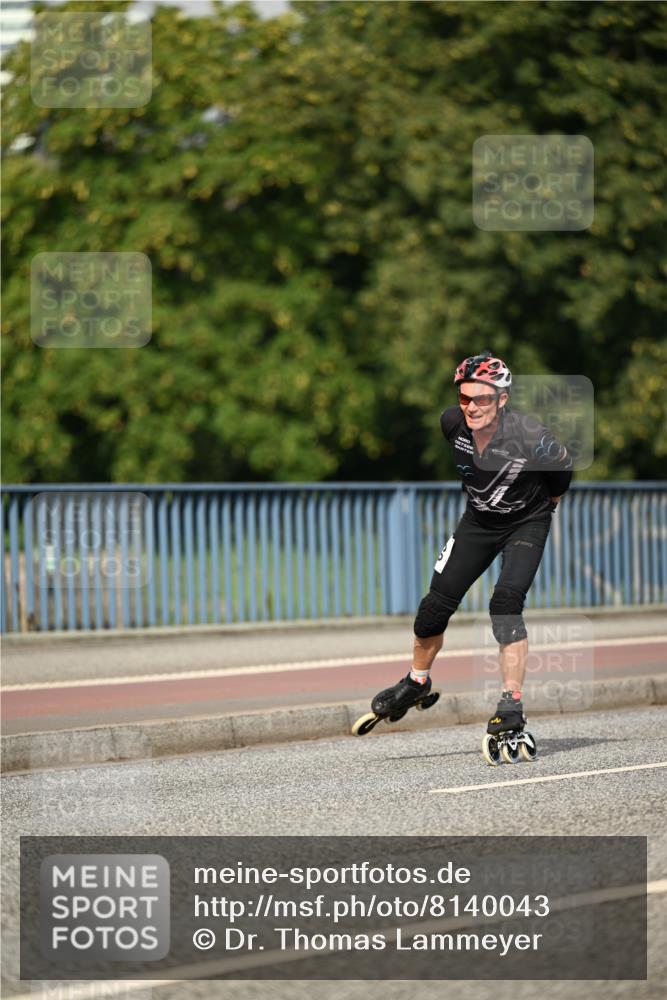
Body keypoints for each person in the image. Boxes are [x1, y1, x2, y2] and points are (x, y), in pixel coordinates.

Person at [371, 350, 573, 740]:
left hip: (525, 525)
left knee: (505, 604)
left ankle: (511, 705)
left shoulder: (532, 437)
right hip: (478, 523)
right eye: (465, 398)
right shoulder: (452, 424)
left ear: (502, 399)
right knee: (434, 607)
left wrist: (549, 501)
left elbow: (562, 468)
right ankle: (417, 681)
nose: (471, 407)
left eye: (482, 398)